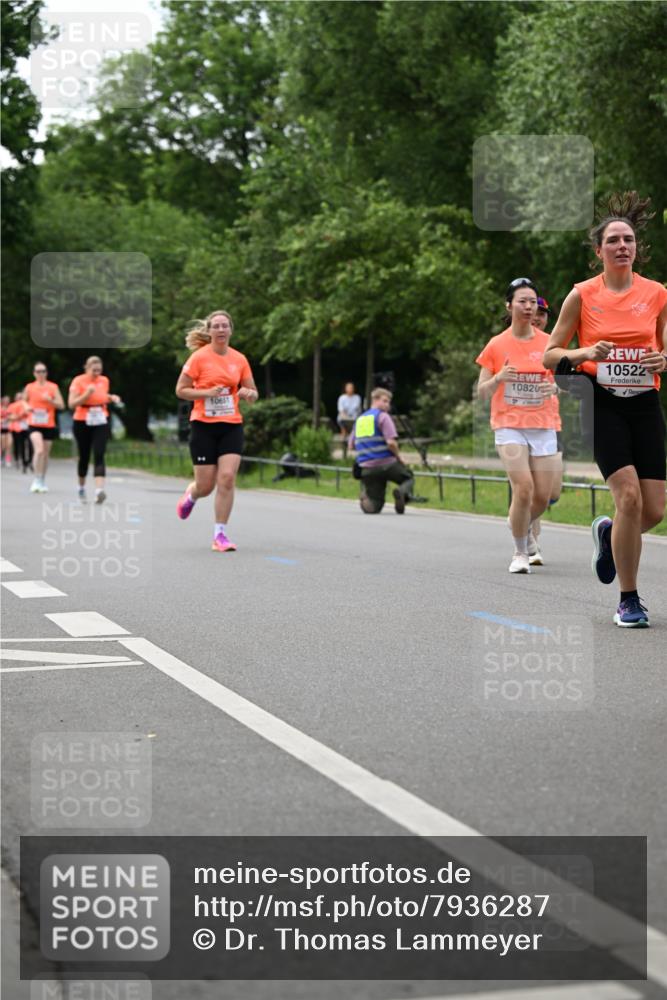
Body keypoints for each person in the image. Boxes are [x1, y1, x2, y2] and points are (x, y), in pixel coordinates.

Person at [543, 191, 667, 628]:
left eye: (628, 239)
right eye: (613, 240)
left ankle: (609, 535)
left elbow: (665, 347)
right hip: (600, 401)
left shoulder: (657, 294)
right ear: (599, 251)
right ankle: (628, 600)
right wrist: (585, 352)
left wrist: (663, 360)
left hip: (645, 402)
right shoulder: (582, 295)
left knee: (653, 510)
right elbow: (549, 354)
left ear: (636, 248)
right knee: (628, 497)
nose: (621, 246)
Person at [476, 277, 561, 573]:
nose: (528, 307)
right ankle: (519, 553)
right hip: (509, 424)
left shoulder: (550, 342)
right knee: (523, 488)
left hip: (544, 423)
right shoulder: (497, 344)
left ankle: (518, 523)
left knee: (543, 495)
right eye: (522, 301)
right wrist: (499, 378)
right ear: (509, 305)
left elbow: (566, 381)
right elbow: (481, 391)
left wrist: (557, 388)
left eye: (532, 302)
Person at [175, 310, 258, 552]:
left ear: (231, 330)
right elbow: (181, 389)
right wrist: (205, 394)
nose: (221, 330)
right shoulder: (199, 358)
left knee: (227, 478)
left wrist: (249, 393)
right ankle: (192, 495)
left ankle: (219, 535)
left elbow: (253, 392)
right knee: (206, 485)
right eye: (217, 326)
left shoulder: (239, 359)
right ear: (209, 331)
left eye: (225, 326)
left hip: (231, 425)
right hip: (203, 426)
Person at [348, 387, 414, 514]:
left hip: (367, 468)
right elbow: (391, 443)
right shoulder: (383, 417)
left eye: (388, 402)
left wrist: (367, 450)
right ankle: (400, 493)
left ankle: (366, 498)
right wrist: (399, 458)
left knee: (376, 505)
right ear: (375, 400)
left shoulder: (360, 420)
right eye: (385, 401)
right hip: (387, 464)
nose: (387, 405)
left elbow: (351, 445)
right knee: (408, 478)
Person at [531, 295, 564, 541]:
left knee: (553, 490)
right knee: (528, 485)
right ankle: (529, 538)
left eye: (542, 314)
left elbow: (569, 381)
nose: (537, 318)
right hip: (518, 425)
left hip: (551, 423)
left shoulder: (554, 345)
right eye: (533, 312)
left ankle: (524, 517)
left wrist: (556, 388)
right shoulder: (510, 342)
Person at [68, 356, 122, 503]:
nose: (97, 373)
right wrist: (86, 394)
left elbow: (101, 396)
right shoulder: (78, 381)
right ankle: (81, 487)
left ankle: (99, 491)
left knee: (99, 453)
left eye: (99, 370)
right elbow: (71, 403)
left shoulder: (104, 380)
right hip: (82, 420)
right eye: (94, 370)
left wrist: (111, 398)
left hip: (100, 419)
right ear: (87, 368)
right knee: (84, 456)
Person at [24, 363, 65, 493]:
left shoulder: (53, 387)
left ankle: (42, 479)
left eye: (43, 371)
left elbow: (62, 405)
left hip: (48, 424)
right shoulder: (30, 387)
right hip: (34, 423)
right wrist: (26, 407)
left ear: (46, 373)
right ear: (34, 373)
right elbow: (23, 401)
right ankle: (36, 479)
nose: (40, 373)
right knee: (39, 450)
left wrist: (50, 401)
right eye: (38, 371)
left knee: (46, 455)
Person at [7, 393, 32, 473]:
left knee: (31, 445)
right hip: (17, 428)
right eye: (18, 397)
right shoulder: (12, 406)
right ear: (15, 398)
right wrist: (18, 416)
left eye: (21, 397)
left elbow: (32, 414)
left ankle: (29, 461)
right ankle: (19, 460)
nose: (20, 399)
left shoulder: (27, 405)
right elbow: (9, 417)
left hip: (28, 427)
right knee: (19, 445)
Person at [336, 382, 363, 454]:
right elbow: (341, 410)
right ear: (345, 389)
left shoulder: (357, 397)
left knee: (356, 424)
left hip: (355, 417)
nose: (350, 389)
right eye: (348, 387)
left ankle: (352, 444)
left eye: (351, 387)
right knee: (342, 422)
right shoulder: (342, 398)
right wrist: (346, 417)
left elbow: (358, 410)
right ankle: (343, 444)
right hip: (344, 417)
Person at [1, 396, 12, 468]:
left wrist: (10, 419)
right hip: (1, 429)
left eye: (8, 400)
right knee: (2, 445)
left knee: (9, 445)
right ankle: (1, 459)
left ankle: (8, 460)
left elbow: (14, 416)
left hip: (9, 428)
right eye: (5, 400)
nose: (6, 402)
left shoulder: (11, 408)